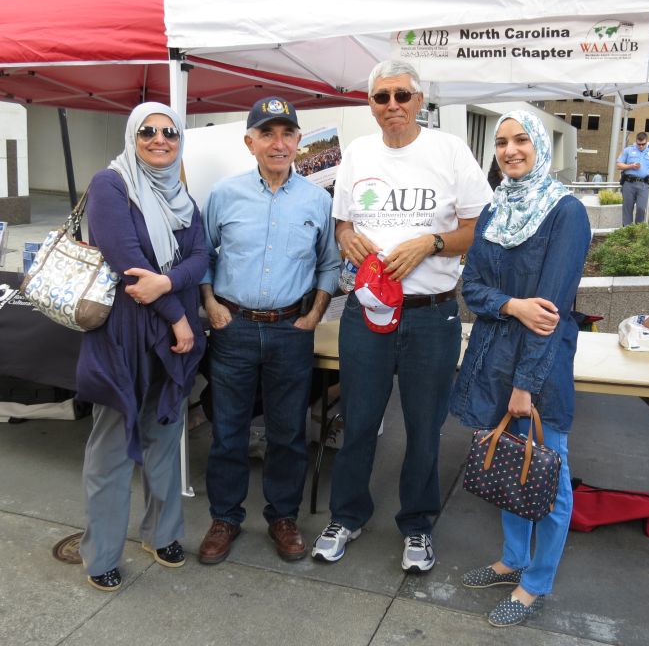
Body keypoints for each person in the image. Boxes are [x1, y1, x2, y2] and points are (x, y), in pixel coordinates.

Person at [312, 59, 492, 571]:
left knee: (423, 427)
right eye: (381, 97)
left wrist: (432, 243)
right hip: (366, 311)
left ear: (420, 101)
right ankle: (346, 515)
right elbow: (342, 222)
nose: (392, 105)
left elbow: (480, 226)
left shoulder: (449, 150)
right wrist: (346, 237)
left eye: (402, 96)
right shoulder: (358, 154)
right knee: (359, 421)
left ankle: (417, 525)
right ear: (370, 104)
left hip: (431, 315)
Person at [450, 110, 590, 628]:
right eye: (502, 142)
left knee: (548, 477)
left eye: (521, 140)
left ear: (541, 146)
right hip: (492, 356)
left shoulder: (565, 212)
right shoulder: (494, 211)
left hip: (540, 366)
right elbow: (474, 291)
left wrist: (526, 386)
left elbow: (549, 311)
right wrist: (511, 304)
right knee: (510, 464)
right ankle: (513, 559)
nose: (510, 150)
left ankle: (536, 583)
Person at [198, 96, 339, 565]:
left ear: (299, 141)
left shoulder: (318, 200)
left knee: (287, 433)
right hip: (232, 329)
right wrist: (210, 303)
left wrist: (314, 314)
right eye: (267, 134)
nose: (278, 143)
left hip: (290, 331)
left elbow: (329, 263)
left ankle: (283, 517)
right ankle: (225, 518)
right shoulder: (224, 194)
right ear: (250, 142)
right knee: (229, 430)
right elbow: (203, 255)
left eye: (286, 134)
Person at [75, 101, 207, 591]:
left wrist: (167, 287)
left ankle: (162, 533)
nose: (159, 139)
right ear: (133, 135)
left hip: (173, 341)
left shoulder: (182, 197)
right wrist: (177, 317)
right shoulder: (110, 184)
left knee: (165, 438)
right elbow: (126, 261)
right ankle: (102, 554)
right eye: (148, 131)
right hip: (125, 337)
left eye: (169, 132)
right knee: (111, 449)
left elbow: (200, 257)